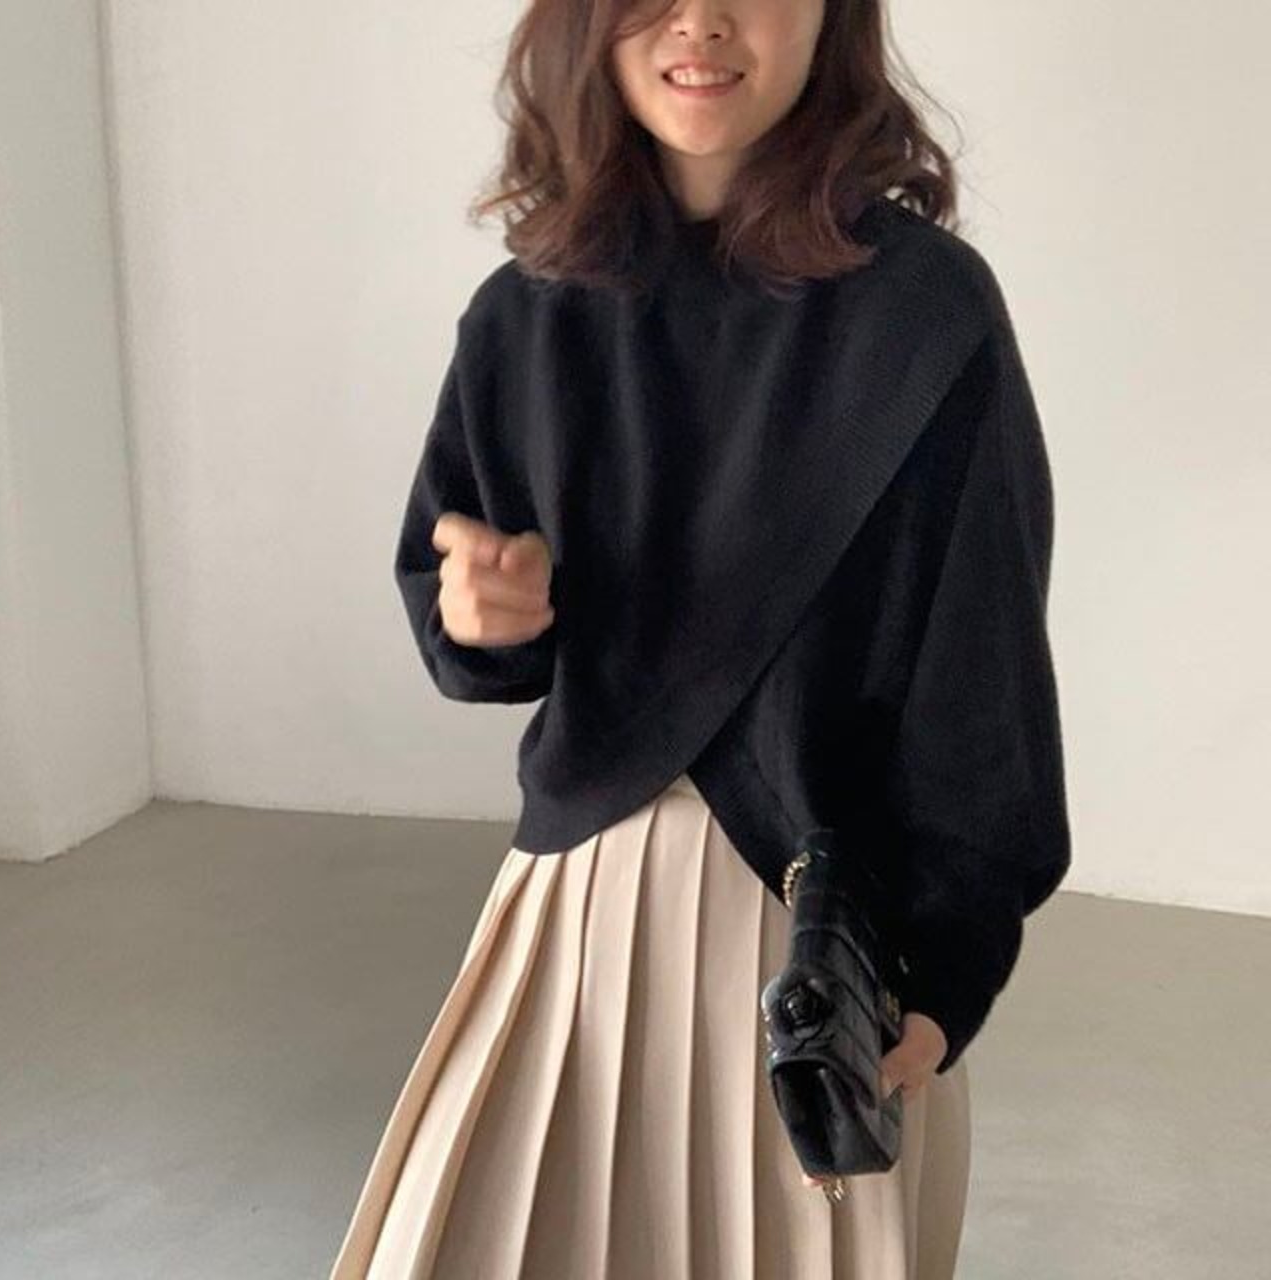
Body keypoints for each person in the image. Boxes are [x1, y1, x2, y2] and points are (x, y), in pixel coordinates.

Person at [330, 0, 1071, 1276]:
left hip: (822, 927)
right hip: (582, 899)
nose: (700, 21)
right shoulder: (525, 314)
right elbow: (468, 613)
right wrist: (481, 617)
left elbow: (979, 672)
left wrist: (950, 966)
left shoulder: (925, 314)